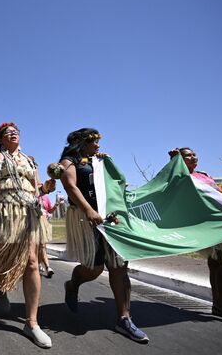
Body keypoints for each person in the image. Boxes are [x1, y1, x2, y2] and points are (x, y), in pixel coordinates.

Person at [59, 128, 148, 343]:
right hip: (84, 217)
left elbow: (116, 186)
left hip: (110, 218)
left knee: (119, 267)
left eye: (99, 141)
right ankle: (72, 285)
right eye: (94, 141)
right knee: (94, 268)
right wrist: (89, 210)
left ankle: (124, 319)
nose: (98, 145)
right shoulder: (68, 161)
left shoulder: (99, 161)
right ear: (80, 142)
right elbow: (70, 186)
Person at [0, 122, 55, 349]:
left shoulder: (30, 160)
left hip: (28, 212)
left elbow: (38, 187)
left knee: (31, 262)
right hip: (3, 211)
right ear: (0, 139)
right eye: (7, 132)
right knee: (1, 257)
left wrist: (48, 186)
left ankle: (32, 323)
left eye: (16, 130)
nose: (13, 133)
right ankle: (2, 288)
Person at [169, 147, 222, 327]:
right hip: (205, 224)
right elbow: (172, 185)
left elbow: (220, 197)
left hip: (221, 222)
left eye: (194, 154)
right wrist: (173, 163)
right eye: (188, 155)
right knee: (219, 262)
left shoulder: (204, 174)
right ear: (181, 160)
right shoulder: (181, 175)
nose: (193, 157)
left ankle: (220, 303)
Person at [38, 194, 56, 278]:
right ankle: (37, 264)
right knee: (35, 246)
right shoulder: (30, 194)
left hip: (44, 224)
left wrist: (56, 205)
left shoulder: (45, 197)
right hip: (32, 223)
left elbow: (50, 210)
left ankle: (47, 267)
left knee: (42, 246)